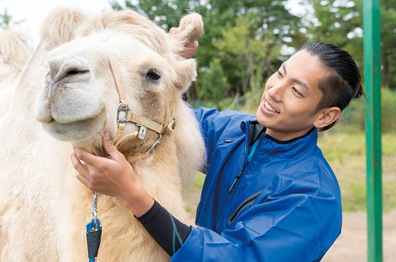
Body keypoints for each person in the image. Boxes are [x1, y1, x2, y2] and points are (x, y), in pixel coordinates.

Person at [71, 27, 364, 261]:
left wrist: (131, 193)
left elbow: (233, 256)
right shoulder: (233, 130)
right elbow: (168, 120)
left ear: (325, 116)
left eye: (296, 91)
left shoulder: (312, 195)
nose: (274, 90)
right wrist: (165, 66)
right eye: (280, 73)